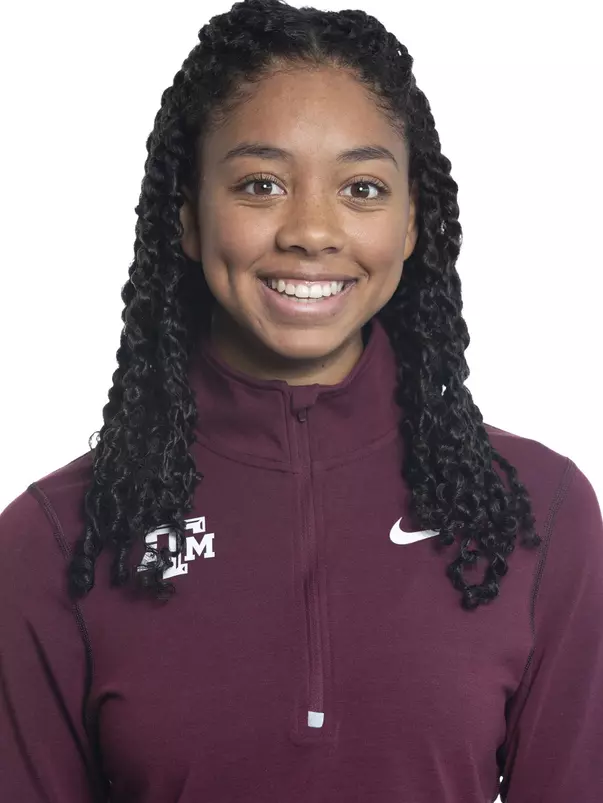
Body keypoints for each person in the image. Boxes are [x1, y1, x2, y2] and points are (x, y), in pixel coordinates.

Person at [1, 0, 602, 800]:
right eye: (261, 184)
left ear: (411, 223)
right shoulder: (56, 539)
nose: (312, 231)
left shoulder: (536, 512)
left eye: (361, 187)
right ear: (186, 218)